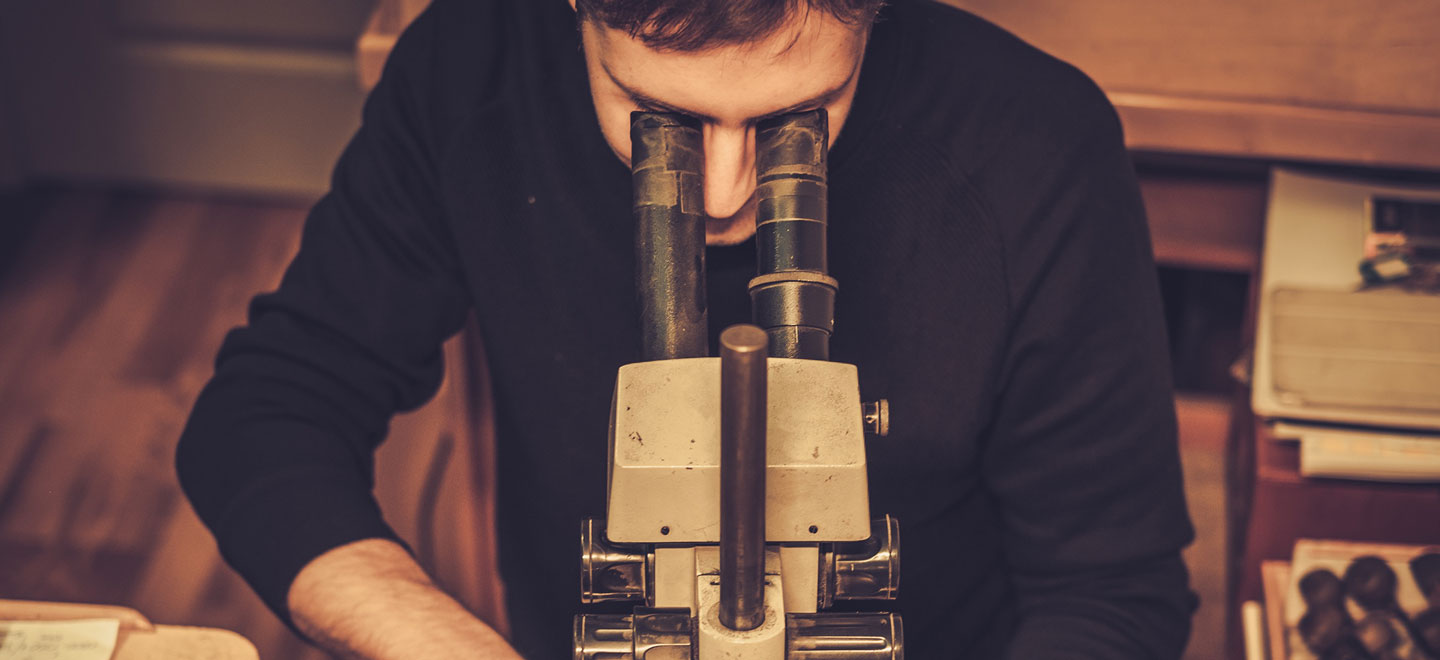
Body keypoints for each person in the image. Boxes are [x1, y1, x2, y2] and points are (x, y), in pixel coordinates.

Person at [176, 0, 1198, 658]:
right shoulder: (468, 69)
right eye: (653, 116)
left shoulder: (1036, 143)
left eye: (797, 117)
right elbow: (264, 418)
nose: (722, 195)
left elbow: (1114, 589)